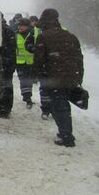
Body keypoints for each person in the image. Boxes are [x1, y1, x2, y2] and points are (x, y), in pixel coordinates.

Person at [32, 8, 83, 147]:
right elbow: (79, 58)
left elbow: (39, 59)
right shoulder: (71, 36)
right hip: (72, 76)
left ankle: (66, 137)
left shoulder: (44, 37)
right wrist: (79, 77)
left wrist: (35, 74)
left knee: (59, 107)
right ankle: (65, 133)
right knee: (63, 105)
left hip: (55, 77)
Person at [25, 15, 52, 119]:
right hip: (45, 65)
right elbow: (27, 44)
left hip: (50, 66)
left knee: (51, 89)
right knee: (47, 89)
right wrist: (35, 50)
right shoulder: (36, 31)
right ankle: (46, 110)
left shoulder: (63, 31)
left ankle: (51, 109)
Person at [0, 16, 17, 118]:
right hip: (7, 62)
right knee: (6, 86)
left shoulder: (1, 30)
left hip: (2, 63)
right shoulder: (8, 30)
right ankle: (4, 108)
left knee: (3, 86)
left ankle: (3, 109)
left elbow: (5, 49)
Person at [16, 18, 35, 108]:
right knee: (24, 80)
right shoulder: (16, 35)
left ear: (27, 26)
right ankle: (27, 98)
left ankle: (28, 95)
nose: (20, 27)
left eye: (22, 25)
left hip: (31, 62)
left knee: (29, 80)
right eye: (19, 25)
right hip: (20, 63)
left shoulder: (33, 35)